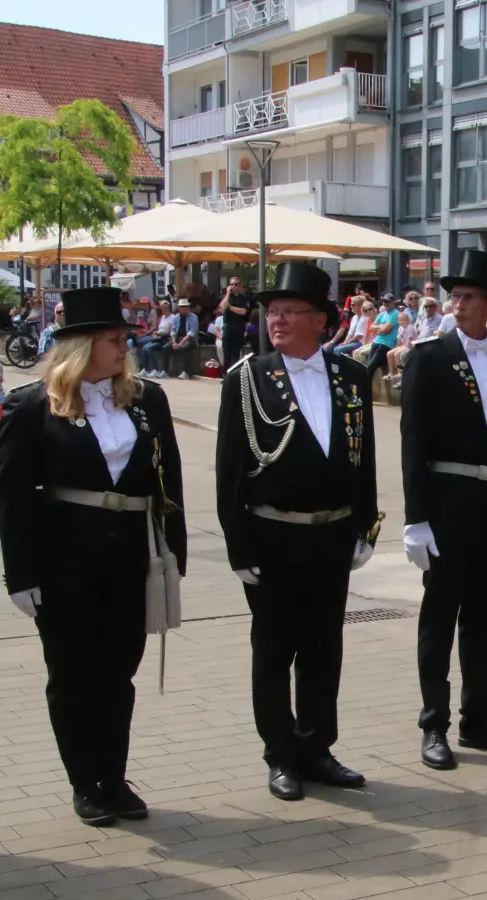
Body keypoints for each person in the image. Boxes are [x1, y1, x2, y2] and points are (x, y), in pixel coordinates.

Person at [0, 286, 187, 826]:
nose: (125, 346)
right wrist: (21, 573)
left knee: (118, 673)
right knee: (73, 674)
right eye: (112, 339)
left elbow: (167, 480)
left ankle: (114, 776)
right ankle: (85, 781)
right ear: (81, 346)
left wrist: (175, 553)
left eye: (125, 336)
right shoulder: (32, 405)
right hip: (65, 561)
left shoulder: (148, 399)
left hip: (129, 558)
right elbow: (11, 496)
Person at [215, 263, 378, 800]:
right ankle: (280, 753)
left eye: (289, 311)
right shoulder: (247, 378)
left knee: (323, 648)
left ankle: (317, 748)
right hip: (273, 536)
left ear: (320, 319)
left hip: (330, 535)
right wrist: (238, 545)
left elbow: (364, 458)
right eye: (272, 311)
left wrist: (364, 525)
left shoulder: (351, 376)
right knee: (273, 650)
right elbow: (230, 471)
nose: (277, 320)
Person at [400, 249, 487, 770]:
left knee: (484, 616)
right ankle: (433, 721)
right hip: (447, 504)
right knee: (440, 617)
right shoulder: (429, 356)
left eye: (469, 296)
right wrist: (416, 518)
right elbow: (413, 441)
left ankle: (479, 716)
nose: (457, 304)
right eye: (454, 296)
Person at [219, 277, 256, 370]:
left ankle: (234, 376)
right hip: (228, 328)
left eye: (236, 284)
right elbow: (222, 309)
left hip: (238, 329)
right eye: (231, 284)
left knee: (236, 355)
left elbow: (243, 311)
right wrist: (227, 293)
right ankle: (225, 376)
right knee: (226, 354)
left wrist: (230, 307)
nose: (233, 286)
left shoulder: (244, 298)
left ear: (240, 286)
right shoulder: (226, 298)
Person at [134, 300, 173, 378]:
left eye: (166, 308)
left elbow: (169, 332)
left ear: (169, 308)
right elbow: (159, 329)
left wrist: (158, 333)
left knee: (149, 348)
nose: (164, 310)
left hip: (166, 339)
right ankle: (146, 369)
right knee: (144, 347)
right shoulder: (162, 317)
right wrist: (156, 333)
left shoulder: (172, 317)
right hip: (159, 338)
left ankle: (155, 369)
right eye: (162, 308)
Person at [367, 292, 402, 378]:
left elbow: (384, 330)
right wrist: (381, 328)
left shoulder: (395, 313)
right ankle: (366, 389)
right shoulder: (382, 314)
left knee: (369, 368)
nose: (385, 303)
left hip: (386, 345)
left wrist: (380, 329)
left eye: (388, 301)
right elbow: (371, 327)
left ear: (393, 302)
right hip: (376, 343)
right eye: (384, 301)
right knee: (367, 367)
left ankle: (363, 389)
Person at [164, 299, 200, 379]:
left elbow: (192, 332)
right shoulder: (176, 317)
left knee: (184, 348)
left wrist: (180, 344)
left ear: (188, 307)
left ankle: (186, 372)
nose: (183, 308)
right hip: (177, 338)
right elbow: (173, 331)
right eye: (181, 307)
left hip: (189, 339)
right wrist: (173, 342)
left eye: (185, 306)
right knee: (165, 347)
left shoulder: (194, 317)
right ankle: (165, 371)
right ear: (179, 308)